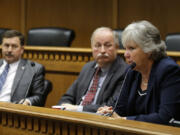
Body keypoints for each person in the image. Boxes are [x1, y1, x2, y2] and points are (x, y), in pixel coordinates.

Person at [97, 20, 180, 125]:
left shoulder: (168, 71)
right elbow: (120, 108)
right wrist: (109, 112)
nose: (126, 54)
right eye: (125, 48)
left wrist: (124, 120)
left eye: (131, 48)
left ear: (149, 49)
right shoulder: (132, 71)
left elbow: (166, 117)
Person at [58, 27, 128, 112]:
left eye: (108, 45)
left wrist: (79, 109)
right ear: (91, 48)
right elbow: (67, 97)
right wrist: (64, 106)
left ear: (117, 47)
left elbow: (111, 106)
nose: (102, 50)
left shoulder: (124, 71)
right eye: (97, 45)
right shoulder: (87, 67)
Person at [0, 30, 45, 106]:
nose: (9, 50)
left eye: (14, 46)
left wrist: (28, 101)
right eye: (6, 45)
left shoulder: (34, 69)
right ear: (1, 47)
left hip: (11, 112)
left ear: (22, 49)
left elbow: (39, 97)